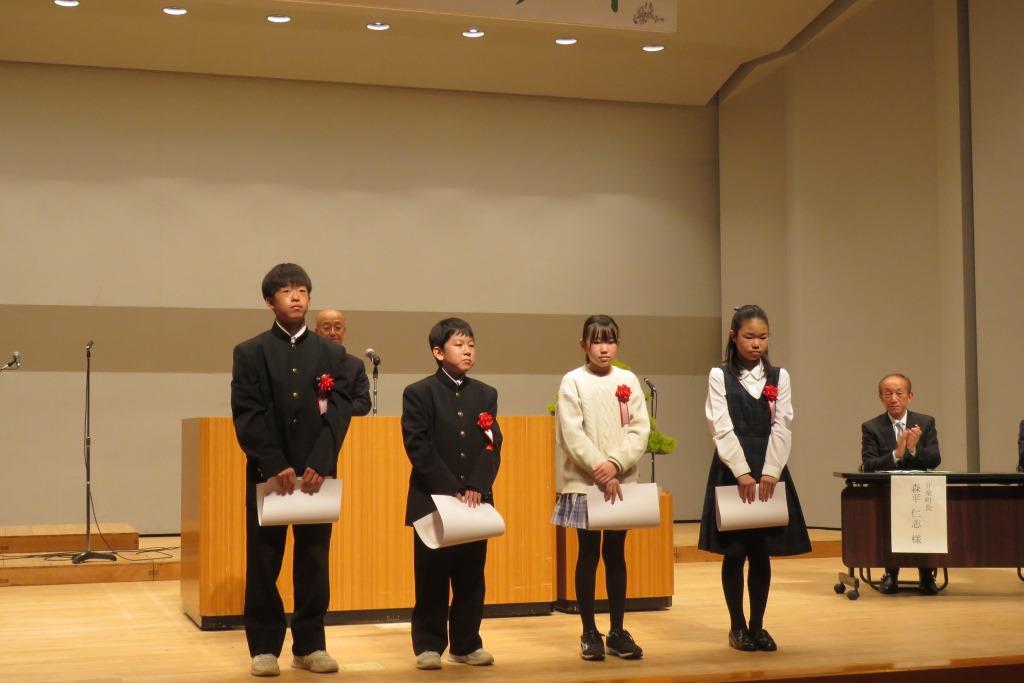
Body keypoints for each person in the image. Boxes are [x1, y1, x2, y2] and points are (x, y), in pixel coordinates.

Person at [231, 263, 354, 677]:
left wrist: (321, 461)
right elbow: (247, 412)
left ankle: (310, 644)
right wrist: (273, 462)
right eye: (286, 291)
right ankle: (264, 647)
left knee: (314, 560)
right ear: (270, 301)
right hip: (269, 475)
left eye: (301, 289)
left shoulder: (333, 354)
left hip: (318, 476)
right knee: (264, 560)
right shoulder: (250, 352)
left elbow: (339, 412)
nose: (296, 296)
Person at [698, 305, 810, 653]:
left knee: (761, 552)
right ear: (734, 337)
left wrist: (772, 471)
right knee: (735, 551)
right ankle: (737, 626)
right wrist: (741, 470)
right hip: (732, 468)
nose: (756, 343)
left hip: (769, 469)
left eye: (762, 337)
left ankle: (758, 626)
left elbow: (783, 425)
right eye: (749, 337)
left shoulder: (779, 376)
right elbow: (719, 425)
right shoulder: (720, 374)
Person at [401, 317, 502, 670]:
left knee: (471, 576)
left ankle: (466, 643)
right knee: (431, 576)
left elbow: (492, 445)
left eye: (471, 344)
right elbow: (418, 446)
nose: (468, 351)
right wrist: (454, 488)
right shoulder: (419, 392)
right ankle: (428, 645)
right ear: (438, 352)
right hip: (432, 499)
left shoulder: (486, 394)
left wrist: (477, 485)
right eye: (459, 345)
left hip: (475, 501)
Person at [552, 314, 650, 662]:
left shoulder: (628, 380)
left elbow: (640, 429)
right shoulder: (573, 381)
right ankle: (589, 631)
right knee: (588, 553)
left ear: (618, 343)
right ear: (583, 345)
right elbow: (571, 433)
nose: (603, 348)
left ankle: (618, 631)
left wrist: (616, 464)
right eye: (596, 341)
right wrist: (600, 467)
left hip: (620, 481)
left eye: (610, 340)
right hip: (586, 482)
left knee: (616, 554)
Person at [861, 373, 941, 595]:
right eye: (888, 394)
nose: (893, 398)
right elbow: (868, 465)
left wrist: (913, 449)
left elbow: (934, 459)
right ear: (881, 397)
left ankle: (926, 575)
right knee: (887, 522)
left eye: (899, 393)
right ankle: (891, 574)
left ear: (910, 396)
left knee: (926, 521)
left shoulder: (925, 422)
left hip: (920, 492)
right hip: (888, 492)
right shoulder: (871, 427)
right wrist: (896, 454)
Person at [314, 308, 372, 416]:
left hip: (344, 423)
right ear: (316, 332)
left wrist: (333, 409)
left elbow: (363, 404)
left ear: (344, 332)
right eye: (326, 328)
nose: (332, 333)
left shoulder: (355, 365)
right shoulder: (308, 361)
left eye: (337, 328)